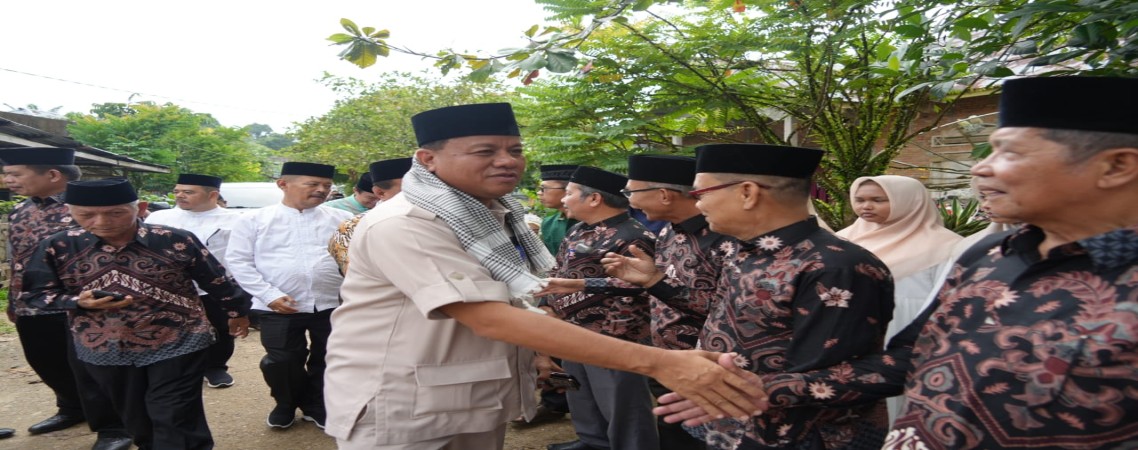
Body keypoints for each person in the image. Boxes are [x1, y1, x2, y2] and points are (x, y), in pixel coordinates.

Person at [658, 76, 1138, 449]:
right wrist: (754, 389)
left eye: (1008, 152)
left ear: (1116, 166)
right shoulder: (990, 254)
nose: (980, 168)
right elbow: (907, 360)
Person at [322, 103, 766, 450]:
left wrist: (536, 348)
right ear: (428, 159)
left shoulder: (483, 215)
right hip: (403, 405)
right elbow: (487, 316)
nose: (507, 161)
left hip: (462, 398)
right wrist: (661, 362)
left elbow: (511, 298)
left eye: (514, 150)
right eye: (485, 151)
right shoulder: (406, 223)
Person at [658, 143, 895, 449]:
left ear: (747, 192)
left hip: (799, 437)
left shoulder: (834, 267)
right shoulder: (742, 250)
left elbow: (833, 377)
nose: (698, 204)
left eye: (700, 193)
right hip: (733, 425)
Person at [21, 178, 252, 450]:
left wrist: (237, 311)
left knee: (175, 412)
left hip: (178, 340)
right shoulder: (57, 246)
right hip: (104, 347)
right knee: (136, 417)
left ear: (140, 208)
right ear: (70, 212)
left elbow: (216, 279)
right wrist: (77, 302)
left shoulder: (174, 239)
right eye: (86, 214)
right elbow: (35, 294)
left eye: (115, 213)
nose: (101, 222)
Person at [598, 154, 734, 450]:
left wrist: (654, 281)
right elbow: (655, 288)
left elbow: (726, 313)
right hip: (666, 360)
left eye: (631, 192)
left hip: (708, 367)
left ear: (663, 194)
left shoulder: (726, 239)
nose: (630, 201)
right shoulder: (669, 232)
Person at [1, 147, 131, 450]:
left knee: (95, 368)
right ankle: (72, 408)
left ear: (53, 175)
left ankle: (115, 427)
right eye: (7, 174)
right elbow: (17, 259)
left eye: (15, 174)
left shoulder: (91, 209)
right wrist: (13, 300)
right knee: (46, 361)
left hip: (83, 304)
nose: (8, 180)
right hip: (33, 303)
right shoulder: (20, 211)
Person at [226, 162, 353, 430]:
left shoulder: (341, 219)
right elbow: (238, 261)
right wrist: (268, 294)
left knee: (329, 358)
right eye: (313, 184)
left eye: (327, 186)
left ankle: (317, 406)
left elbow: (352, 258)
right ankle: (285, 403)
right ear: (283, 184)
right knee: (281, 361)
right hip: (278, 305)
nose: (322, 190)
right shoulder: (253, 220)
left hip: (331, 303)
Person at [540, 165, 659, 450]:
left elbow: (639, 289)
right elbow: (558, 270)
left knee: (621, 404)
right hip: (572, 331)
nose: (564, 199)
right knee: (581, 396)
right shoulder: (577, 230)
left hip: (612, 337)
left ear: (594, 198)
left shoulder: (633, 236)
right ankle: (592, 442)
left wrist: (611, 337)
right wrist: (547, 304)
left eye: (570, 193)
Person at [145, 173, 244, 388]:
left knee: (220, 328)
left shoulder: (236, 220)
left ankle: (216, 367)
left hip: (216, 286)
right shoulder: (159, 218)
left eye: (188, 192)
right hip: (171, 287)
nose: (180, 196)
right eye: (177, 191)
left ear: (212, 195)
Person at [837, 175, 962, 342]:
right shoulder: (843, 239)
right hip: (851, 327)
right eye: (859, 200)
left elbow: (951, 298)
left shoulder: (945, 244)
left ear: (909, 201)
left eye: (878, 200)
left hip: (913, 327)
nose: (866, 206)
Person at [328, 157, 412, 274]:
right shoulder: (351, 228)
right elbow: (354, 273)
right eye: (412, 188)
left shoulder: (433, 218)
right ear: (380, 192)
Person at [538, 164, 579, 254]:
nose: (539, 193)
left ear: (567, 190)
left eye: (543, 189)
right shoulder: (549, 223)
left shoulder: (592, 222)